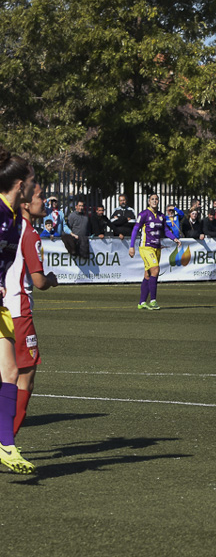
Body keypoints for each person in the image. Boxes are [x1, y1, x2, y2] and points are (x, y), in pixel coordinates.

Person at [5, 182, 58, 442]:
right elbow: (38, 281)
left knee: (7, 375)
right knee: (25, 378)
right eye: (39, 197)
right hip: (19, 312)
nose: (44, 202)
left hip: (5, 307)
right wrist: (52, 279)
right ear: (25, 201)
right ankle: (6, 441)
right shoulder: (29, 233)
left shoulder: (8, 226)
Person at [0, 148, 38, 473]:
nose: (33, 188)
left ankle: (6, 446)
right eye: (31, 182)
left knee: (10, 373)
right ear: (18, 184)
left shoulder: (14, 219)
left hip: (0, 305)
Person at [129, 194, 181, 310]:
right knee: (156, 269)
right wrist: (131, 246)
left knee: (148, 274)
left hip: (157, 247)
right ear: (149, 201)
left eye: (156, 199)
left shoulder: (161, 216)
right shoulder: (143, 214)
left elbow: (166, 230)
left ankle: (142, 302)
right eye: (152, 199)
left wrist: (174, 238)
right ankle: (153, 300)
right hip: (146, 247)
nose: (154, 201)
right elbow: (135, 229)